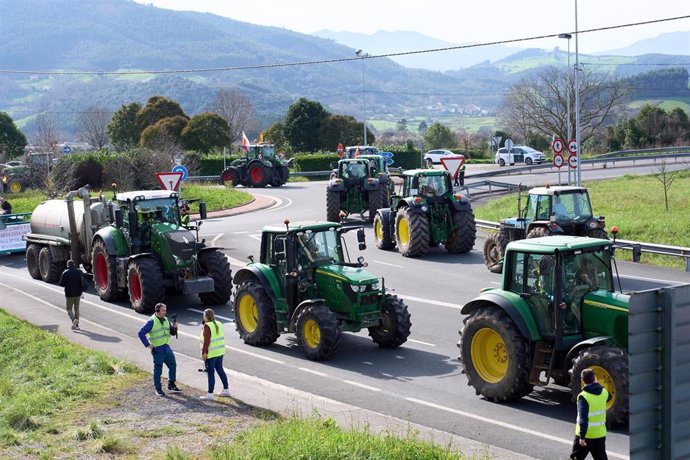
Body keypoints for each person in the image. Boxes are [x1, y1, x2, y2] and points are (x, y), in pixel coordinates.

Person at [138, 303, 182, 397]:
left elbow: (172, 333)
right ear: (157, 311)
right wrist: (148, 345)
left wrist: (175, 327)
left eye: (165, 310)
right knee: (158, 369)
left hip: (166, 348)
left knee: (173, 365)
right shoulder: (151, 321)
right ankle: (158, 388)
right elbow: (141, 333)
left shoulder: (165, 319)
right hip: (157, 350)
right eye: (163, 310)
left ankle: (171, 385)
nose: (165, 312)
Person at [570, 368, 609, 460]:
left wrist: (582, 437)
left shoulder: (583, 397)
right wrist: (598, 385)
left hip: (586, 436)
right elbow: (608, 397)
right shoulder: (604, 392)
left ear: (582, 381)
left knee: (576, 458)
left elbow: (583, 419)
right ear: (595, 378)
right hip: (600, 435)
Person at [199, 308, 231, 400]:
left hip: (211, 354)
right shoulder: (219, 324)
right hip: (219, 352)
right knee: (220, 370)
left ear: (206, 316)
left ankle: (210, 394)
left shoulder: (207, 326)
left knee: (210, 373)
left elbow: (206, 341)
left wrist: (204, 353)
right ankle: (226, 389)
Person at [58, 259, 88, 331]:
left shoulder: (65, 273)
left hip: (69, 294)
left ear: (68, 265)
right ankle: (77, 325)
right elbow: (83, 281)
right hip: (78, 293)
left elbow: (61, 284)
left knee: (69, 309)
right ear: (74, 264)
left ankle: (73, 319)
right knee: (76, 308)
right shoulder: (79, 272)